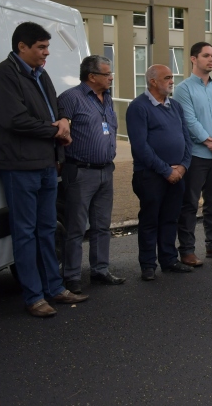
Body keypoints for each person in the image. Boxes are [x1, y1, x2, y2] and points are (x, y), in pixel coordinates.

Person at [0, 21, 88, 317]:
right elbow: (14, 120)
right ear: (22, 47)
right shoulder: (3, 76)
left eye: (47, 47)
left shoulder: (40, 75)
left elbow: (54, 110)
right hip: (19, 167)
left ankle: (54, 289)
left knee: (47, 230)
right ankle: (33, 297)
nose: (46, 54)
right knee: (25, 233)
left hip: (45, 164)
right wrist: (55, 130)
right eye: (41, 48)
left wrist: (64, 121)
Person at [57, 55, 125, 294]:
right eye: (107, 74)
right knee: (75, 227)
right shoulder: (70, 98)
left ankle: (100, 270)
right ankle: (72, 276)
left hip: (106, 170)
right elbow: (59, 132)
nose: (111, 78)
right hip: (80, 172)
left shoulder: (106, 98)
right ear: (92, 76)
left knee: (102, 225)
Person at [126, 64, 193, 280]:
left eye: (172, 77)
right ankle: (147, 265)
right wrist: (166, 170)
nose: (172, 81)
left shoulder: (175, 106)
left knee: (170, 218)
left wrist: (182, 166)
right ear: (153, 81)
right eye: (167, 77)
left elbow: (186, 138)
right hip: (151, 175)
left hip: (177, 174)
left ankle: (169, 260)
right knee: (150, 219)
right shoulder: (138, 107)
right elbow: (140, 146)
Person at [173, 42, 212, 265]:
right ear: (193, 59)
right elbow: (189, 121)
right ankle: (187, 250)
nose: (211, 60)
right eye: (206, 56)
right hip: (196, 156)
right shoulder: (184, 89)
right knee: (189, 204)